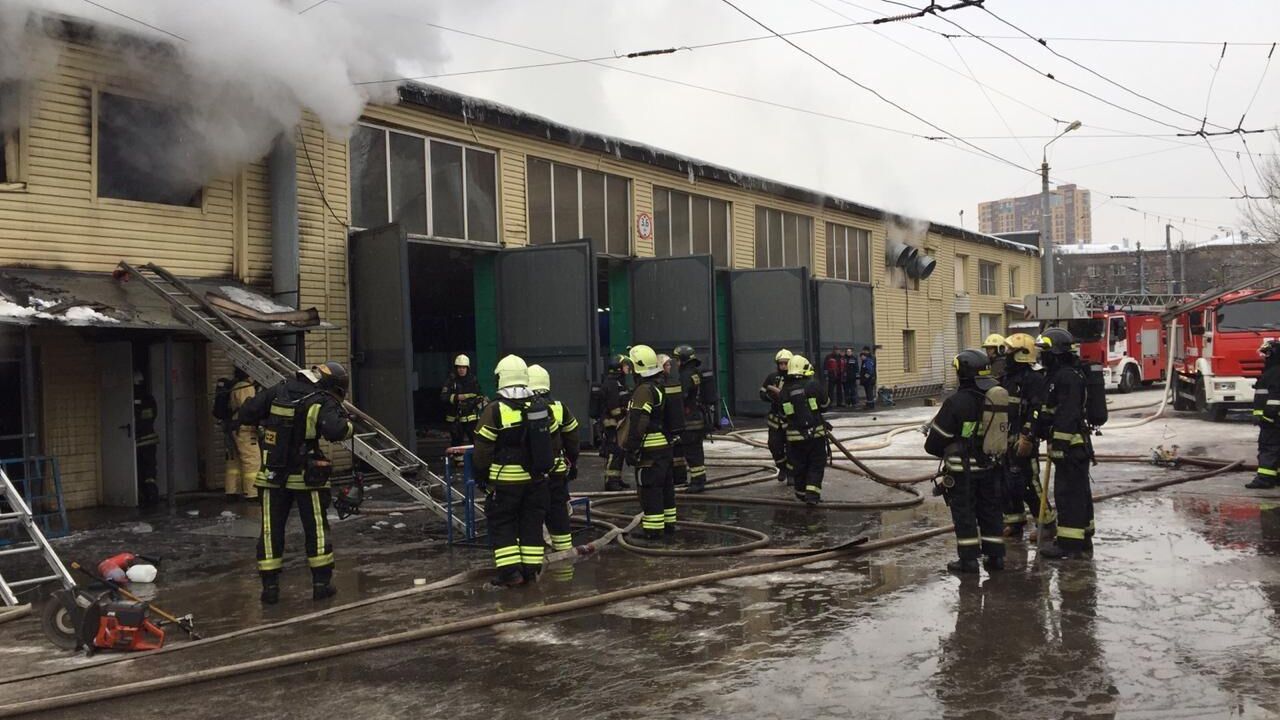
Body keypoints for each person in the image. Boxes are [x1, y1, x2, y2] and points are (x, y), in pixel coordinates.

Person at [238, 361, 354, 603]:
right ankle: (321, 584)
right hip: (306, 477)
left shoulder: (279, 390)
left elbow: (247, 413)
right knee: (316, 529)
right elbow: (335, 431)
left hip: (272, 475)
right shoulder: (322, 399)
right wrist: (350, 426)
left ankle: (269, 589)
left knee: (270, 530)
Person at [473, 355, 552, 587]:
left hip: (506, 482)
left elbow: (482, 450)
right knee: (531, 524)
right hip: (536, 480)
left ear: (502, 378)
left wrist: (482, 476)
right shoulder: (539, 406)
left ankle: (510, 574)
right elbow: (552, 443)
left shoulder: (494, 410)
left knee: (503, 524)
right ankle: (530, 571)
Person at [925, 349, 1006, 574]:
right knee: (991, 511)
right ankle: (995, 557)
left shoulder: (956, 403)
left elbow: (934, 443)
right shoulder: (993, 399)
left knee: (965, 514)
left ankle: (969, 561)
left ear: (964, 374)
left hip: (963, 472)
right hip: (990, 467)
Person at [1034, 328, 1094, 560]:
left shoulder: (1066, 377)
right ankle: (1083, 537)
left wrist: (1058, 445)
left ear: (1056, 352)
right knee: (1079, 493)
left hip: (1070, 447)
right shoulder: (1063, 375)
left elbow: (1067, 414)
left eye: (1045, 351)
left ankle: (1069, 544)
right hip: (1074, 446)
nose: (1042, 356)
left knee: (1068, 495)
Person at [1000, 333, 1053, 539]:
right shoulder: (1006, 378)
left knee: (1029, 483)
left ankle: (1047, 522)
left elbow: (1036, 409)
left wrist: (1028, 435)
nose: (1006, 356)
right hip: (1004, 440)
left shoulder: (1034, 379)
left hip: (1023, 440)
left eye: (1010, 352)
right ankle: (1014, 521)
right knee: (1007, 483)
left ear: (1021, 354)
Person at [621, 344, 676, 540]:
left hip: (650, 450)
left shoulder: (643, 390)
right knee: (665, 487)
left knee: (650, 489)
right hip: (664, 446)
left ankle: (653, 530)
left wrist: (631, 448)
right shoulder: (659, 386)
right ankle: (669, 525)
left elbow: (639, 422)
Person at [528, 364, 580, 554]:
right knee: (558, 514)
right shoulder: (560, 408)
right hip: (557, 473)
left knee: (532, 516)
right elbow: (572, 438)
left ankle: (536, 555)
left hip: (531, 475)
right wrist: (572, 463)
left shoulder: (523, 409)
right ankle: (565, 554)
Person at [780, 354, 829, 505]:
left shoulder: (785, 389)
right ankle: (812, 495)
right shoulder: (813, 385)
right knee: (816, 463)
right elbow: (825, 405)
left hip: (794, 438)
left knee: (799, 465)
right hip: (816, 435)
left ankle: (800, 493)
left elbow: (783, 414)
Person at [672, 345, 709, 493]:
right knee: (695, 450)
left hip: (689, 420)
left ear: (683, 360)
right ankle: (697, 479)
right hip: (697, 417)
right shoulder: (695, 373)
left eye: (676, 360)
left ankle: (697, 482)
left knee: (692, 452)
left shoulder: (686, 375)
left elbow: (683, 396)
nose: (676, 363)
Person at [1246, 339, 1280, 489]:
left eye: (1266, 354)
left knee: (1269, 447)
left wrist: (1267, 416)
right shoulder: (1273, 371)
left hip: (1273, 420)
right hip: (1274, 419)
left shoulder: (1274, 372)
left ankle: (1264, 479)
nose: (1264, 357)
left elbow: (1274, 398)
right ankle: (1276, 477)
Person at [223, 368, 260, 500]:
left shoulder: (235, 386)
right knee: (252, 460)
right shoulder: (246, 387)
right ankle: (252, 493)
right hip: (245, 429)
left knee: (234, 462)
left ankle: (232, 491)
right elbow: (249, 408)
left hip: (234, 427)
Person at [760, 349, 793, 484]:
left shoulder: (794, 377)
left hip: (791, 420)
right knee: (774, 445)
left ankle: (792, 474)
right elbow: (762, 392)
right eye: (781, 363)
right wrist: (770, 397)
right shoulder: (772, 377)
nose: (783, 366)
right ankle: (782, 468)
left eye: (786, 363)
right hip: (775, 420)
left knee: (792, 448)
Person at [600, 354, 633, 492]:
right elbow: (613, 406)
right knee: (613, 452)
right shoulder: (612, 383)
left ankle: (617, 479)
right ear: (618, 367)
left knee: (619, 452)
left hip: (619, 422)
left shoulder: (619, 382)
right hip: (612, 424)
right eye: (625, 365)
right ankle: (610, 481)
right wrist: (621, 416)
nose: (628, 368)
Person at [441, 354, 485, 448]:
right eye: (459, 367)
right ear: (456, 368)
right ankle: (457, 462)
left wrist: (477, 403)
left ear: (467, 368)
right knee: (456, 445)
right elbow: (443, 397)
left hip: (471, 418)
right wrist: (456, 397)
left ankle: (475, 462)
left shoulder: (472, 380)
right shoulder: (451, 380)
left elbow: (479, 395)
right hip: (455, 419)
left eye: (463, 367)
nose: (461, 370)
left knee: (475, 443)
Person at [133, 371, 160, 509]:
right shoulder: (150, 398)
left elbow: (135, 420)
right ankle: (152, 495)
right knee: (150, 470)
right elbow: (153, 416)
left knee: (140, 469)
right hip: (151, 439)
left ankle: (144, 496)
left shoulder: (133, 399)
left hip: (139, 440)